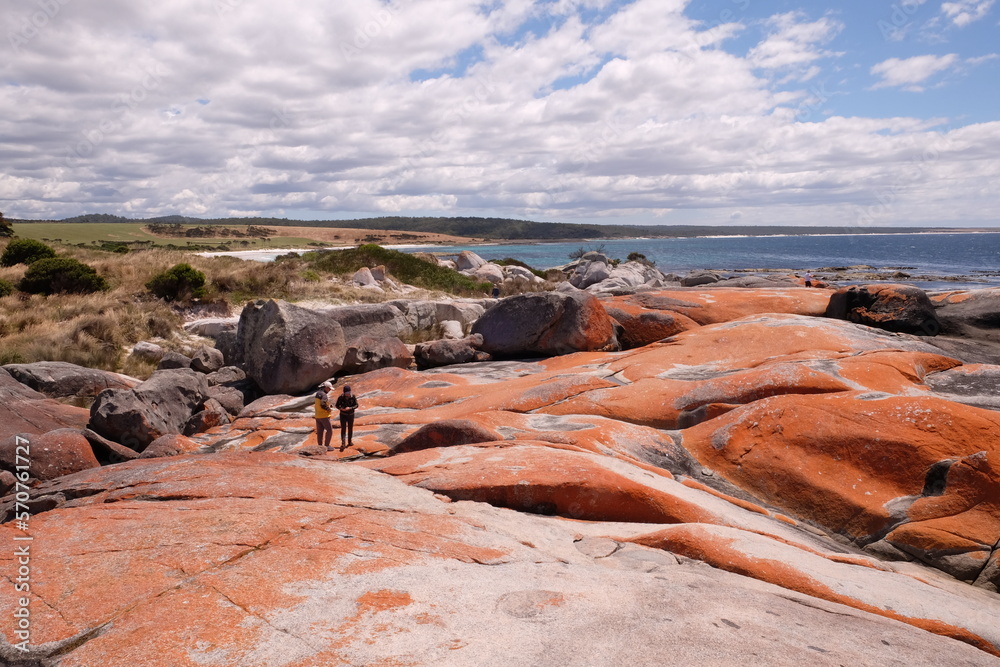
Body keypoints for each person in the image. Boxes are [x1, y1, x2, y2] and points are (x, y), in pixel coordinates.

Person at [336, 385, 359, 451]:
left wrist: (350, 408)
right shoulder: (341, 397)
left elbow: (356, 405)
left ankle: (349, 441)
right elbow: (337, 405)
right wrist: (341, 409)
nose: (347, 394)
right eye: (346, 393)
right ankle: (343, 443)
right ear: (344, 392)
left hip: (351, 414)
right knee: (343, 428)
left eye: (348, 393)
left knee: (350, 428)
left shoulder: (353, 396)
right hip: (343, 414)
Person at [314, 381, 334, 449]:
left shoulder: (317, 393)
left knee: (320, 432)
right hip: (324, 416)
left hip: (317, 416)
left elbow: (319, 403)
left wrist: (328, 405)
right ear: (325, 387)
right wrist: (328, 409)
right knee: (329, 430)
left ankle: (320, 446)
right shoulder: (324, 395)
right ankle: (327, 446)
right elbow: (322, 404)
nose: (329, 390)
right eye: (329, 389)